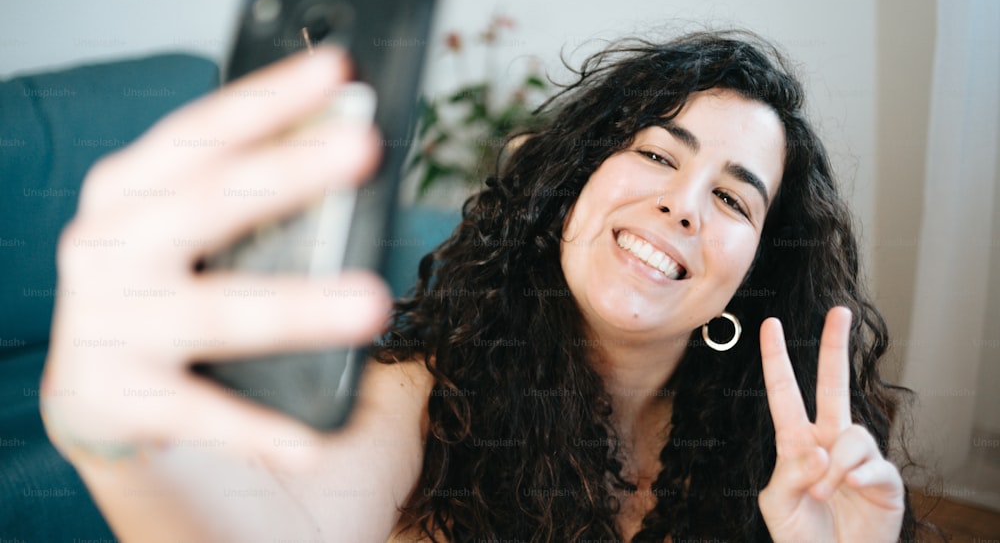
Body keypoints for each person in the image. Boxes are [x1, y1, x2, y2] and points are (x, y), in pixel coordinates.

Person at [41, 31, 918, 542]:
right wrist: (120, 433)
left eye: (731, 197)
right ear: (572, 178)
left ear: (755, 269)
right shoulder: (428, 388)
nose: (681, 205)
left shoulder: (790, 447)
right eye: (655, 153)